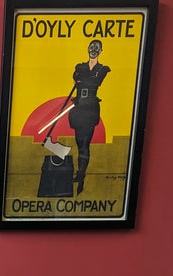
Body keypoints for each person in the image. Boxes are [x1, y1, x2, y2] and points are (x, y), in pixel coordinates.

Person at [68, 40, 110, 194]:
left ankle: (81, 174)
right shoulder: (80, 66)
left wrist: (83, 80)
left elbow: (96, 82)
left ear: (101, 51)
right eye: (91, 47)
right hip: (79, 109)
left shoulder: (103, 69)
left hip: (90, 109)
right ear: (87, 49)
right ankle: (80, 173)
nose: (93, 50)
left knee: (86, 143)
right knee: (80, 143)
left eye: (96, 48)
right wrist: (83, 79)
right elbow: (76, 78)